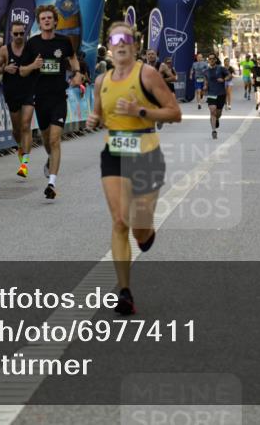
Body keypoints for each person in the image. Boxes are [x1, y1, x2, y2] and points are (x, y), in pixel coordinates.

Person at [86, 21, 181, 315]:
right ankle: (124, 292)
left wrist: (141, 111)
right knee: (118, 221)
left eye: (126, 37)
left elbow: (174, 112)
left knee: (139, 228)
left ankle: (146, 234)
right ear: (110, 46)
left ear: (135, 45)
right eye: (115, 38)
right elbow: (98, 114)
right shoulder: (102, 81)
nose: (121, 42)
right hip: (114, 151)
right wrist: (93, 120)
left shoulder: (148, 74)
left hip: (146, 151)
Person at [22, 5, 80, 200]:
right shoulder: (32, 43)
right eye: (43, 18)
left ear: (55, 21)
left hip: (58, 98)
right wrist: (33, 65)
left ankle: (51, 184)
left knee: (55, 139)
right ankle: (49, 159)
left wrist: (77, 73)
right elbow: (22, 70)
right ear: (39, 22)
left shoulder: (64, 42)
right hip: (40, 99)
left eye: (49, 18)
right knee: (46, 139)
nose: (46, 20)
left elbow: (72, 58)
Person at [0, 21, 37, 178]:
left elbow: (39, 65)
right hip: (12, 92)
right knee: (17, 129)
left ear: (25, 33)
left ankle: (24, 163)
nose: (19, 37)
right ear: (11, 34)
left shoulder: (31, 48)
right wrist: (4, 68)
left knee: (26, 125)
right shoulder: (5, 50)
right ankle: (19, 146)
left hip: (29, 90)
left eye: (21, 33)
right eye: (16, 34)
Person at [202, 54, 228, 139]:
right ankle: (214, 130)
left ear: (216, 60)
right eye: (210, 59)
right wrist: (205, 86)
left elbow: (229, 75)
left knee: (218, 113)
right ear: (208, 60)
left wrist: (224, 79)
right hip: (211, 94)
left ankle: (217, 119)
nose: (211, 60)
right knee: (212, 111)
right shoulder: (206, 71)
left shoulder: (221, 68)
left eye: (213, 59)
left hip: (221, 93)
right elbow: (206, 81)